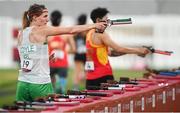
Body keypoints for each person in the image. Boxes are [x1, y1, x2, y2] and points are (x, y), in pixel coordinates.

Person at [16, 4, 106, 102]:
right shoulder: (42, 30)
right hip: (40, 84)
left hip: (22, 84)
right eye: (45, 16)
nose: (48, 20)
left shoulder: (21, 33)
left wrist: (44, 58)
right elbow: (71, 30)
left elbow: (27, 56)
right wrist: (94, 25)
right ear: (34, 17)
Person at [85, 7, 151, 89]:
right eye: (106, 19)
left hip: (90, 78)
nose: (108, 22)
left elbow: (110, 53)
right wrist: (138, 51)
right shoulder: (101, 35)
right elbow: (118, 49)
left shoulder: (89, 33)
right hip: (103, 76)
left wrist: (131, 51)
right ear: (98, 20)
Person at [48, 10, 76, 94]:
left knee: (50, 92)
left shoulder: (47, 32)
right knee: (60, 91)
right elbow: (73, 49)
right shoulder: (65, 32)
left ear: (50, 19)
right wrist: (64, 52)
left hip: (51, 63)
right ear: (61, 19)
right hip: (60, 64)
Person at [73, 14, 87, 90]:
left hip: (78, 53)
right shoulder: (86, 29)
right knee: (87, 71)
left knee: (77, 71)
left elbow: (73, 37)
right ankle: (86, 86)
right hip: (85, 53)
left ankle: (75, 86)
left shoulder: (76, 28)